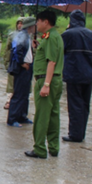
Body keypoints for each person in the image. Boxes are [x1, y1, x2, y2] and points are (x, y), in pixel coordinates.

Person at [25, 9, 63, 159]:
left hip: (47, 80)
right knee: (53, 114)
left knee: (42, 115)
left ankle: (39, 148)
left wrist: (46, 84)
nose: (37, 24)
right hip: (54, 80)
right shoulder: (52, 37)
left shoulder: (51, 38)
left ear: (46, 21)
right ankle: (53, 147)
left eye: (38, 21)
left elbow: (51, 62)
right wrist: (39, 46)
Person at [61, 10, 92, 143]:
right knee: (85, 104)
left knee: (75, 105)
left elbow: (59, 52)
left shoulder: (67, 34)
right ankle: (81, 133)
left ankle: (75, 134)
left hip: (73, 74)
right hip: (88, 74)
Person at [6, 16, 36, 127]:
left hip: (27, 68)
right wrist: (22, 63)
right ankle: (12, 118)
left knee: (25, 93)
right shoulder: (22, 36)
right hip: (22, 69)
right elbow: (16, 50)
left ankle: (22, 116)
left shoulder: (27, 36)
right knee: (19, 94)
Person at [3, 17, 25, 109]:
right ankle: (9, 100)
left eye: (22, 23)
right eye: (18, 23)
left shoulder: (30, 36)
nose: (20, 25)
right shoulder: (12, 35)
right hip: (13, 62)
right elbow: (7, 49)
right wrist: (6, 62)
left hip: (24, 63)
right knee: (11, 83)